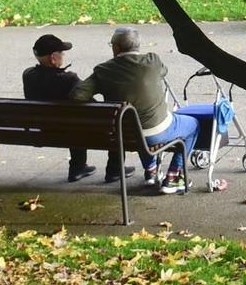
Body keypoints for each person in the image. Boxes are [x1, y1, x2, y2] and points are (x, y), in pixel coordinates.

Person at [68, 27, 198, 194]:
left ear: (116, 48)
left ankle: (151, 170)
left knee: (136, 127)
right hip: (156, 131)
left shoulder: (103, 70)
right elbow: (164, 72)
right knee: (194, 124)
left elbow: (77, 95)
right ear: (137, 46)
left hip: (124, 134)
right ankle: (173, 177)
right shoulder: (153, 61)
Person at [21, 33, 114, 182]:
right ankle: (113, 169)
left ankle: (78, 168)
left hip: (43, 129)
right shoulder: (68, 80)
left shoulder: (28, 75)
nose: (63, 55)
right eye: (61, 53)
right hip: (69, 129)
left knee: (73, 121)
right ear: (53, 58)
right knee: (87, 121)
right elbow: (93, 105)